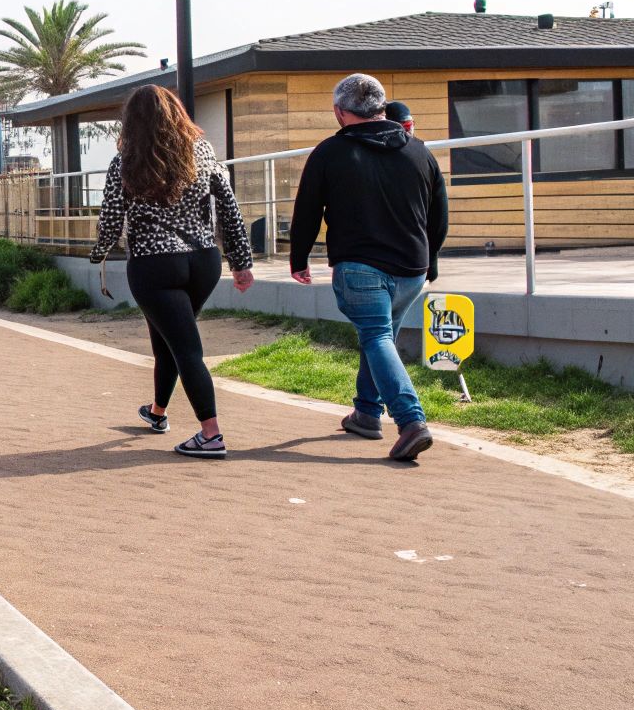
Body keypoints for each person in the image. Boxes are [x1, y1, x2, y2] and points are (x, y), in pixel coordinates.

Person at [290, 74, 449, 462]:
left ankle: (411, 422)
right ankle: (365, 413)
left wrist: (298, 258)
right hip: (412, 268)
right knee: (380, 338)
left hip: (361, 266)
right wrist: (431, 260)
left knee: (376, 337)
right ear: (381, 107)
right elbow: (439, 215)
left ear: (340, 112)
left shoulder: (330, 152)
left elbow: (307, 210)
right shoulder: (419, 151)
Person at [91, 85, 255, 459]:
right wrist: (241, 262)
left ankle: (211, 435)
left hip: (154, 265)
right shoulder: (203, 152)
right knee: (168, 336)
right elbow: (229, 207)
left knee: (185, 348)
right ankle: (157, 412)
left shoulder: (125, 162)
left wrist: (99, 252)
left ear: (132, 122)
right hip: (203, 261)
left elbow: (112, 217)